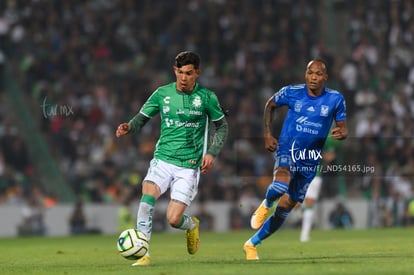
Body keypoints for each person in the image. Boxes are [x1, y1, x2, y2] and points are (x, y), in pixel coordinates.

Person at [115, 51, 228, 266]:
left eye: (189, 73)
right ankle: (144, 253)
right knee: (147, 197)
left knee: (173, 219)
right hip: (163, 159)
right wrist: (129, 126)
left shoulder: (207, 97)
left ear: (197, 73)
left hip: (189, 166)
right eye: (180, 73)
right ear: (174, 71)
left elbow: (222, 126)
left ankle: (191, 226)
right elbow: (142, 118)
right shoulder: (162, 94)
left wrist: (212, 153)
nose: (183, 78)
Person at [243, 59, 348, 260]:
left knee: (286, 207)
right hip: (287, 148)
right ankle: (266, 204)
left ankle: (252, 244)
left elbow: (344, 127)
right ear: (305, 75)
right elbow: (270, 105)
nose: (313, 77)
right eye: (310, 73)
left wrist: (342, 132)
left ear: (325, 77)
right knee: (280, 185)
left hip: (310, 159)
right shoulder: (292, 92)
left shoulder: (335, 99)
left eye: (318, 74)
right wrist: (267, 133)